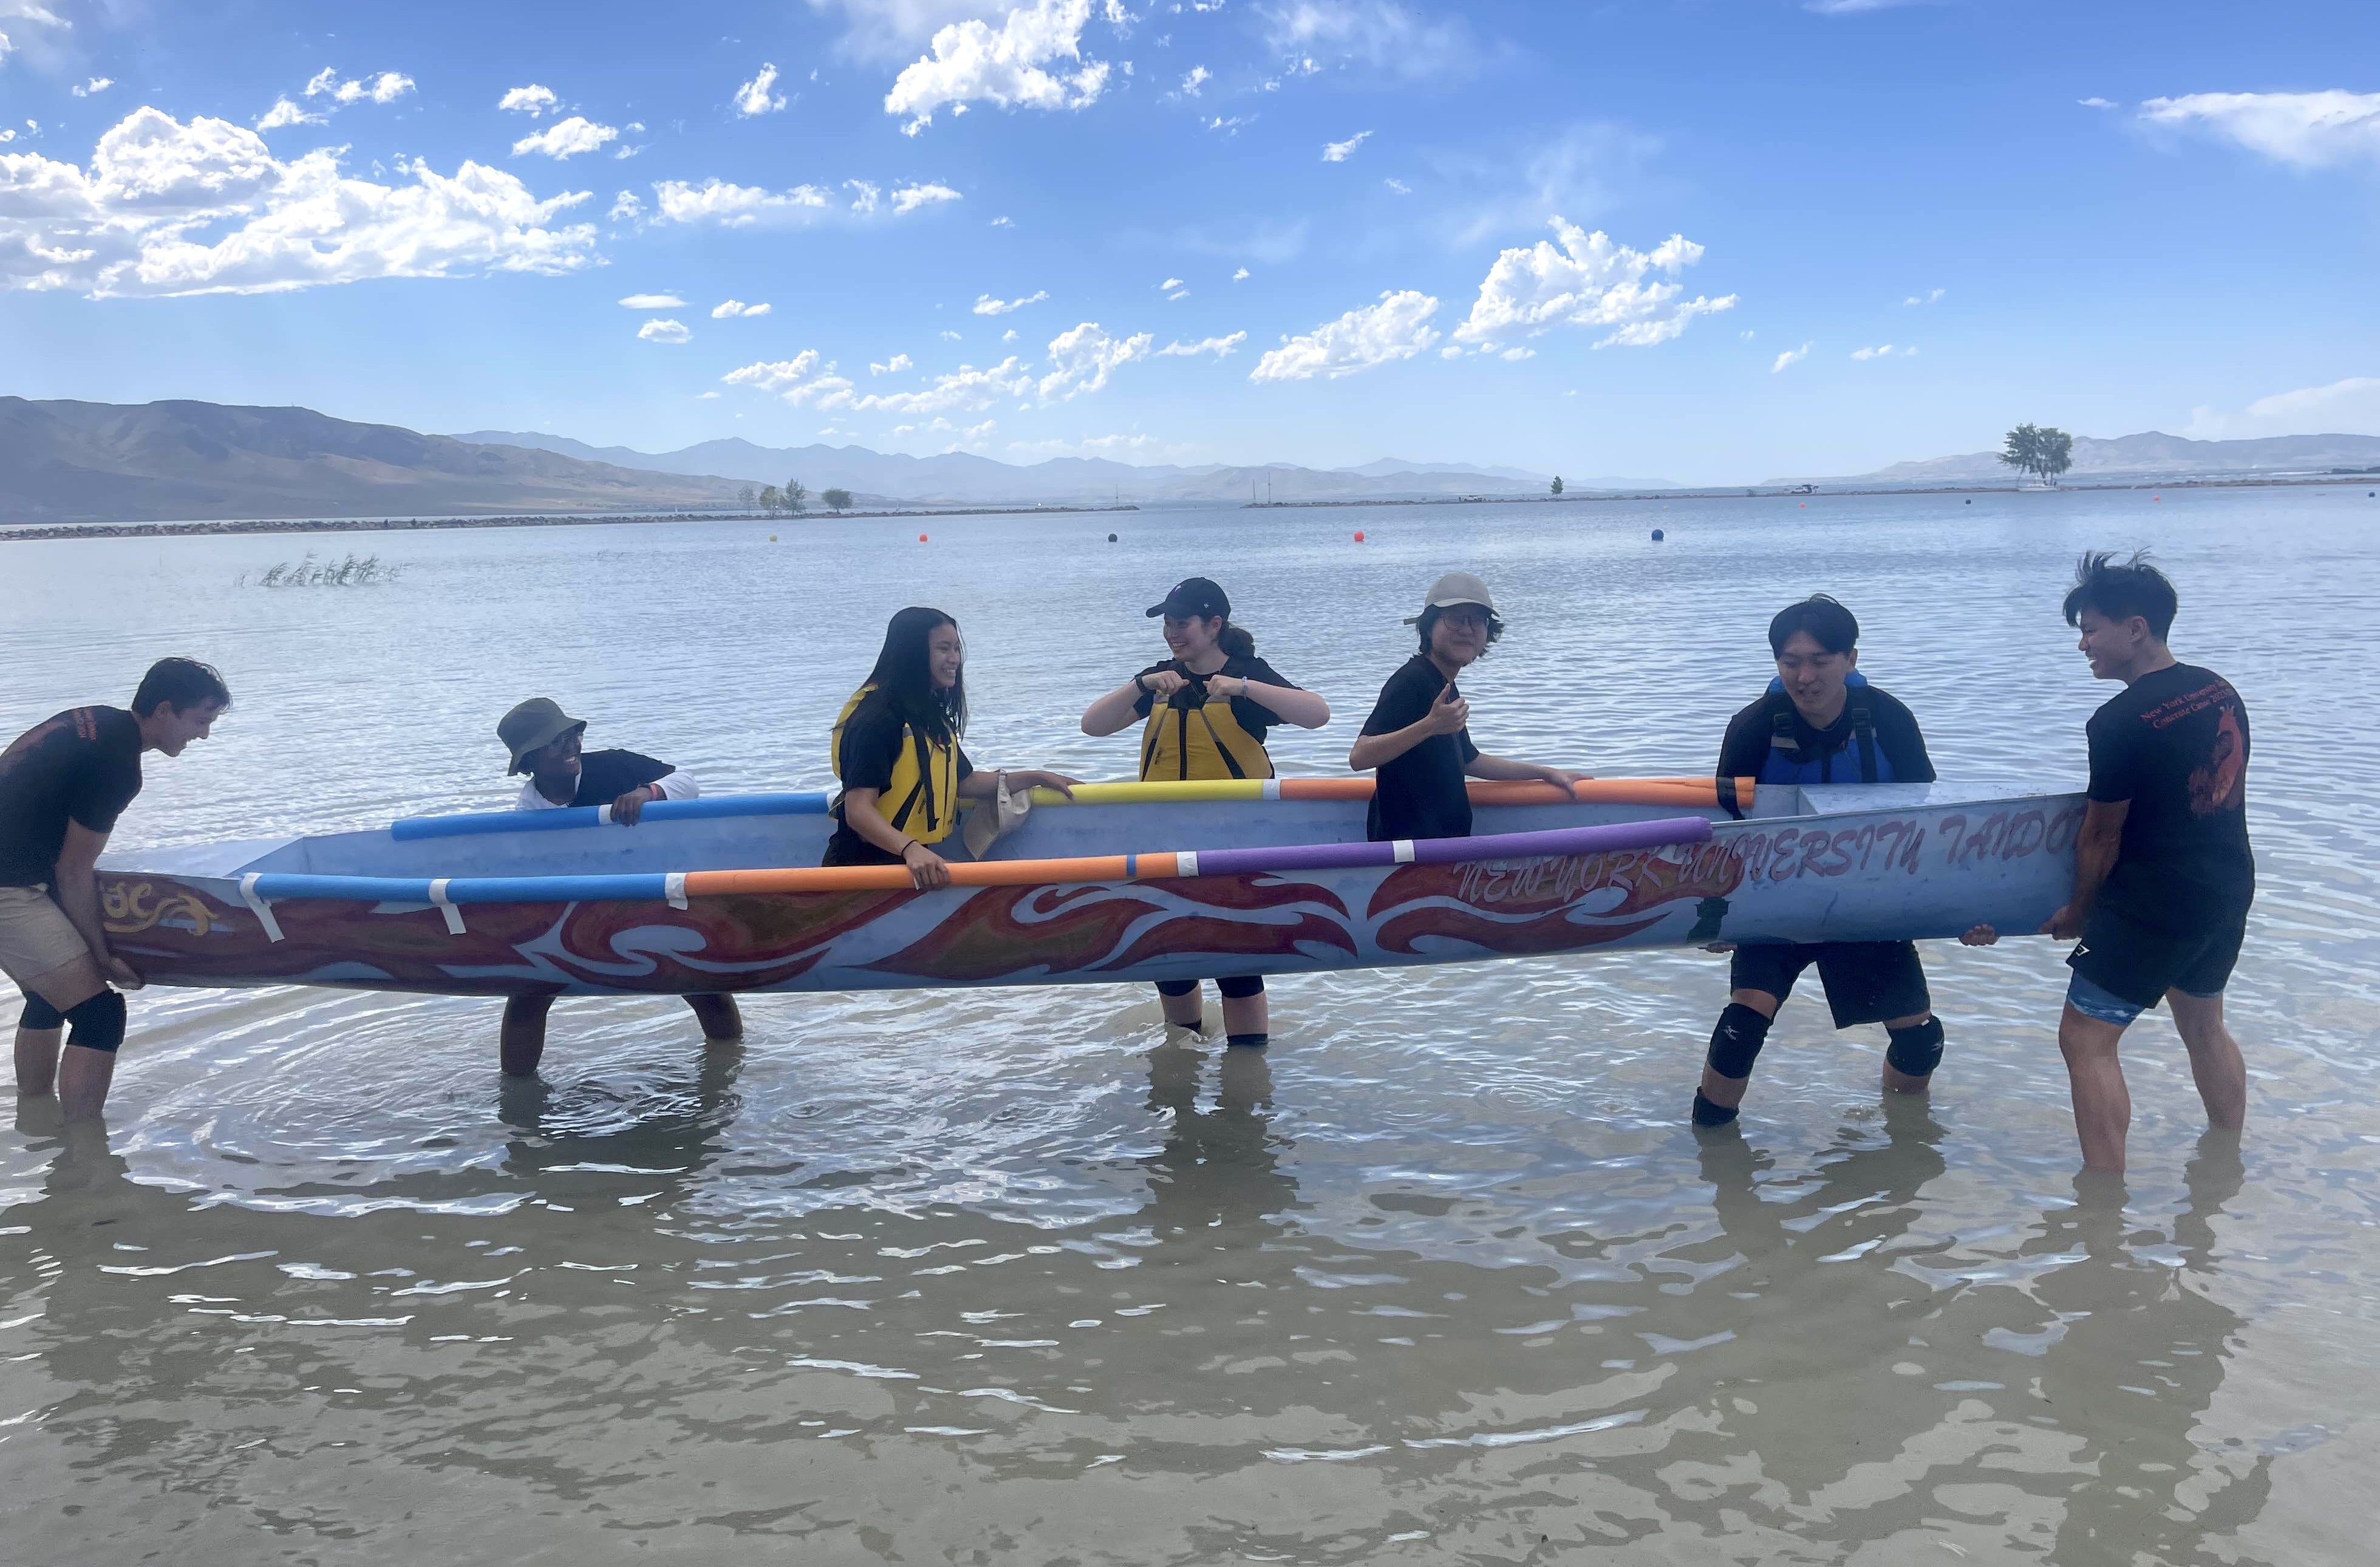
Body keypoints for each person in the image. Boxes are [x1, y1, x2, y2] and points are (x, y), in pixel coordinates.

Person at [1693, 595, 1988, 1128]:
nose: (1804, 677)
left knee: (1921, 1041)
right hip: (1776, 901)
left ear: (1850, 658)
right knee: (1742, 1026)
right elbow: (1725, 830)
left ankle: (1904, 1136)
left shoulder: (1888, 719)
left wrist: (1963, 910)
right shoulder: (1753, 727)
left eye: (1819, 662)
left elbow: (1930, 823)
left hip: (1867, 901)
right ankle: (1707, 1133)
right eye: (1789, 663)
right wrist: (1721, 914)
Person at [2039, 552, 2251, 1172]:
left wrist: (2079, 911)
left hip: (2156, 902)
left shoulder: (2118, 721)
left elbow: (2100, 836)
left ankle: (2102, 1203)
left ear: (2135, 629)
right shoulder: (2217, 688)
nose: (2083, 645)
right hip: (2226, 884)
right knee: (2204, 1025)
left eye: (2090, 629)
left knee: (2085, 1039)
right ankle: (2225, 1160)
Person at [1080, 577, 1332, 1047]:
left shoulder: (1245, 675)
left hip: (1233, 847)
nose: (1173, 634)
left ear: (1214, 625)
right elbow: (1092, 726)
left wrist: (1242, 688)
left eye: (1183, 624)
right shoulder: (1159, 680)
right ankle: (1183, 1055)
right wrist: (1139, 684)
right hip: (1163, 841)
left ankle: (1246, 1075)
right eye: (1168, 624)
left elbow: (1317, 714)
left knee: (1238, 964)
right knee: (1171, 959)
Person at [2, 657, 230, 1119]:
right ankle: (85, 1158)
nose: (203, 735)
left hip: (18, 874)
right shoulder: (117, 766)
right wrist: (101, 955)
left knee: (49, 994)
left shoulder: (94, 721)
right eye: (201, 720)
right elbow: (74, 872)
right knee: (99, 1014)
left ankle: (36, 1124)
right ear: (164, 711)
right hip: (8, 888)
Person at [493, 698, 738, 1074]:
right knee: (529, 992)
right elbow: (540, 866)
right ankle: (515, 1095)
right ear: (529, 761)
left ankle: (730, 1067)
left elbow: (688, 784)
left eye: (572, 735)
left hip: (650, 887)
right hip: (582, 898)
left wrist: (647, 793)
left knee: (699, 981)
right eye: (556, 742)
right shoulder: (529, 809)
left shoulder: (613, 764)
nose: (572, 747)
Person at [828, 606, 1079, 889]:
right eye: (944, 649)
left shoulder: (926, 714)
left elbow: (965, 782)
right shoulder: (877, 719)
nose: (955, 660)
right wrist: (910, 849)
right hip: (863, 870)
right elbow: (858, 809)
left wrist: (1037, 777)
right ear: (912, 653)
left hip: (908, 863)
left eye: (957, 649)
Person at [1347, 572, 1584, 844]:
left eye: (1477, 621)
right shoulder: (1412, 681)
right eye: (1455, 618)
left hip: (1441, 851)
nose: (1467, 629)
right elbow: (1360, 756)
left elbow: (1470, 760)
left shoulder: (1442, 681)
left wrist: (1547, 773)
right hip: (1408, 857)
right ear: (1428, 627)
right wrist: (1429, 726)